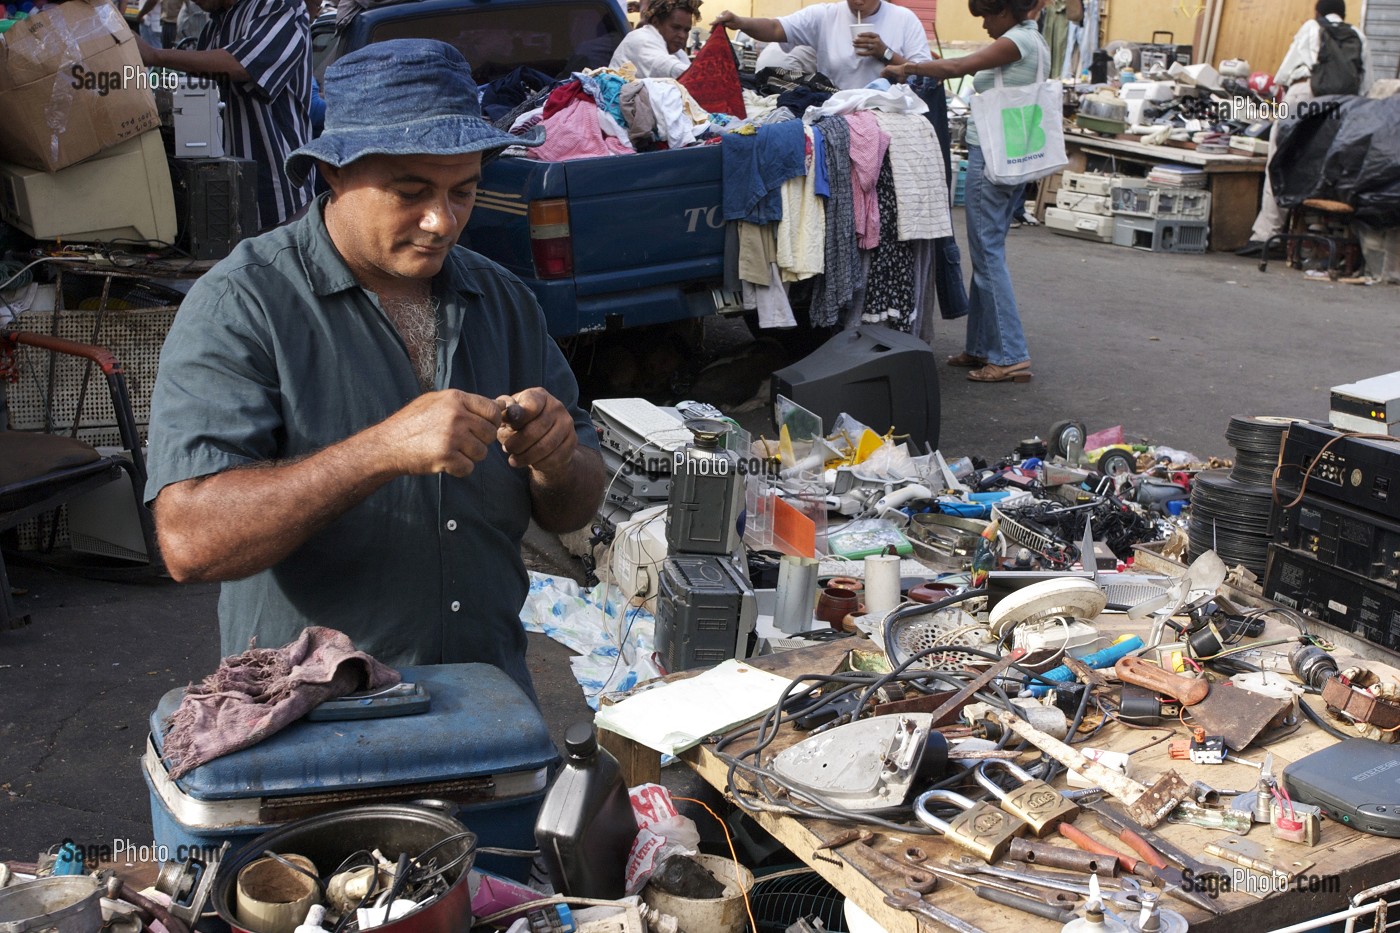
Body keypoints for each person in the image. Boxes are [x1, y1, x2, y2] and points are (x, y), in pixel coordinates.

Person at [143, 39, 607, 703]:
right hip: (313, 727)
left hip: (487, 712)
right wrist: (378, 452)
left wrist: (556, 459)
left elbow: (576, 504)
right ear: (335, 173)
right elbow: (190, 541)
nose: (440, 220)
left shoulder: (503, 302)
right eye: (411, 191)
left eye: (463, 192)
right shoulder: (244, 304)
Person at [886, 0, 1044, 383]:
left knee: (987, 255)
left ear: (1008, 11)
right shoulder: (1032, 39)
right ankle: (981, 346)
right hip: (1011, 155)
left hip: (991, 157)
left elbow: (958, 67)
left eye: (990, 15)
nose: (987, 24)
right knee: (987, 250)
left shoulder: (1016, 41)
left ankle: (1009, 354)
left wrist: (908, 67)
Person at [135, 0, 313, 230]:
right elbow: (201, 85)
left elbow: (242, 65)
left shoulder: (280, 5)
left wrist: (155, 56)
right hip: (230, 194)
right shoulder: (216, 24)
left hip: (279, 194)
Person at [1236, 0, 1368, 257]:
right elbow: (1366, 84)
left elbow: (1284, 74)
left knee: (1279, 160)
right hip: (1340, 105)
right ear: (1344, 14)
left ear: (1317, 12)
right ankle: (1311, 240)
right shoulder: (1359, 35)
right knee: (1321, 167)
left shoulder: (1311, 27)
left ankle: (1266, 236)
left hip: (1301, 94)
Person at [712, 0, 932, 91]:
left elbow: (927, 78)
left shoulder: (904, 19)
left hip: (889, 124)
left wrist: (885, 52)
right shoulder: (825, 15)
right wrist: (740, 22)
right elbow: (776, 28)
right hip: (837, 121)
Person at [610, 0, 703, 77]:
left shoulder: (679, 53)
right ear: (655, 22)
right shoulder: (641, 38)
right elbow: (667, 67)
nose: (682, 35)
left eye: (686, 30)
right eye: (675, 27)